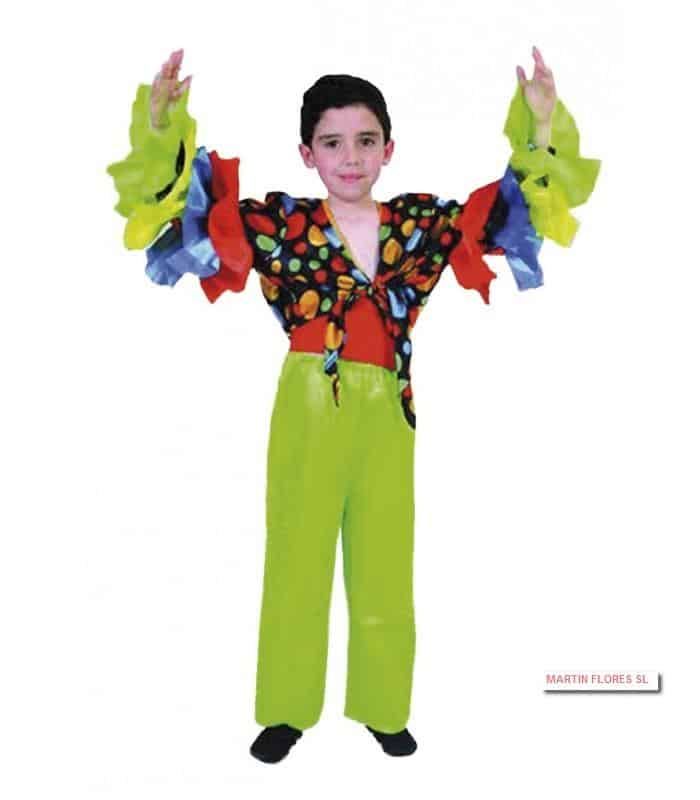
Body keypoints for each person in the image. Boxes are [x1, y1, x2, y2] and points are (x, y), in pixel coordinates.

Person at [106, 46, 600, 764]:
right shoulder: (280, 224)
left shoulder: (421, 223)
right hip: (310, 398)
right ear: (306, 154)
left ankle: (383, 706)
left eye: (366, 141)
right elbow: (178, 212)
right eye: (332, 143)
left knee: (385, 559)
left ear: (388, 148)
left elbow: (514, 213)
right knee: (296, 559)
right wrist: (161, 125)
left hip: (389, 408)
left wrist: (543, 124)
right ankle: (286, 711)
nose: (350, 157)